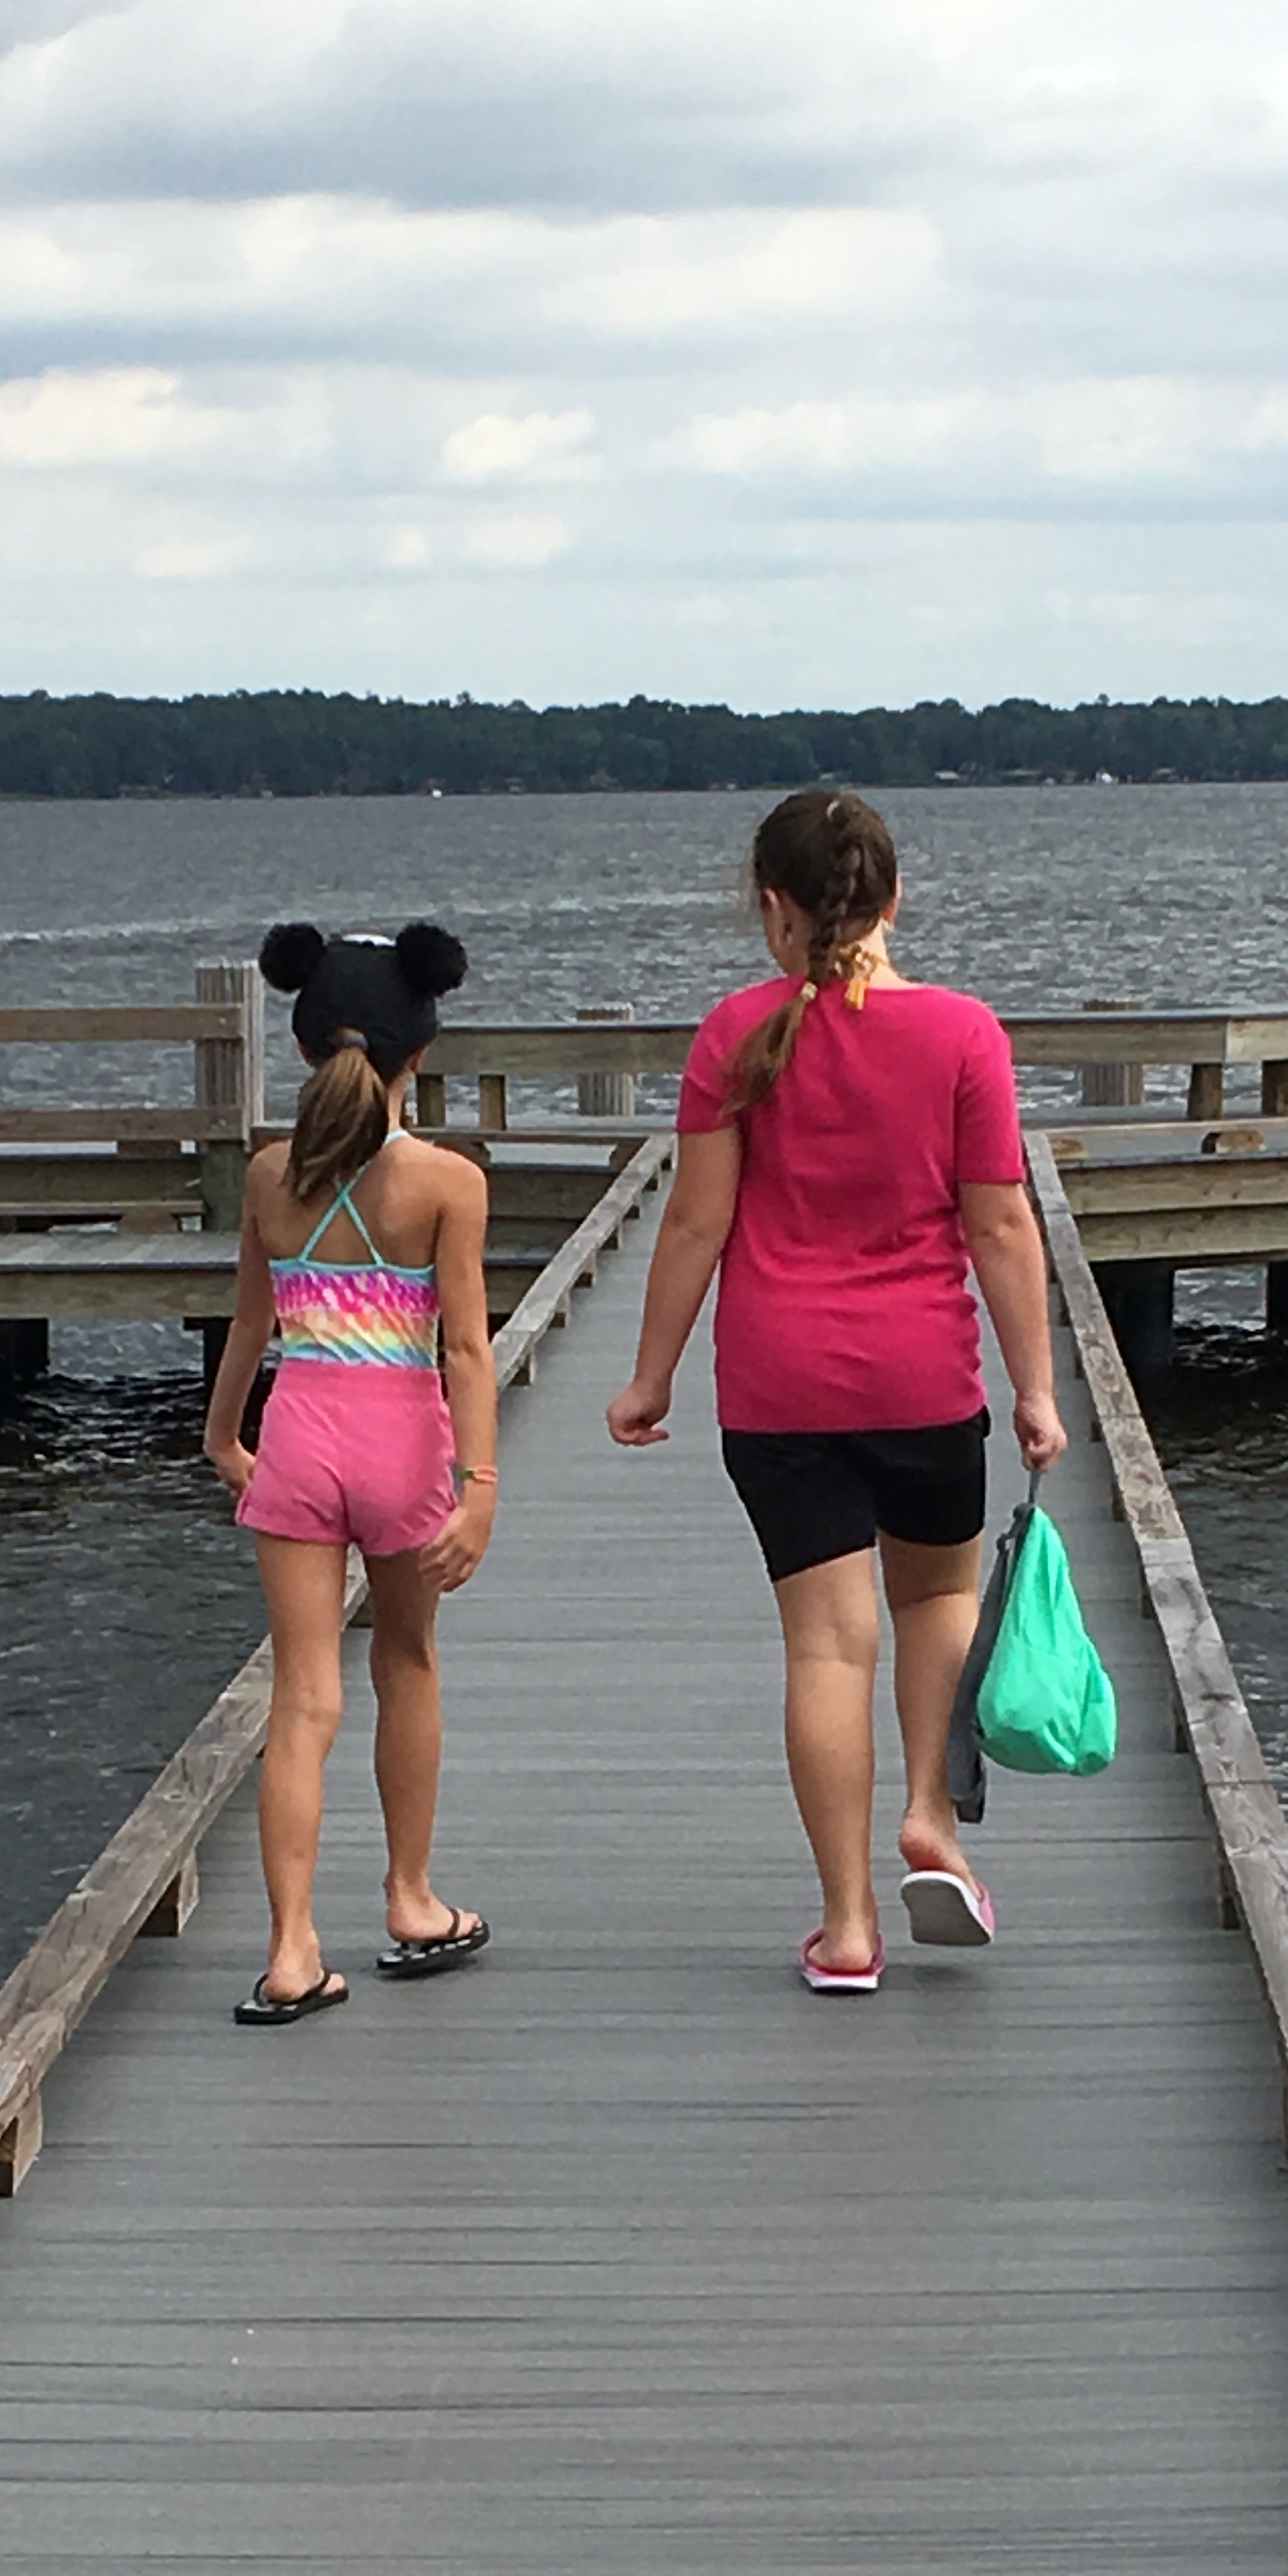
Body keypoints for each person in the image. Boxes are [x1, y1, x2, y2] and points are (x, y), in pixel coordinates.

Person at [607, 790, 1067, 1993]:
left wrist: (651, 1376)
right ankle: (931, 1815)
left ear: (774, 908)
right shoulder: (965, 1035)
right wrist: (1035, 1387)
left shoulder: (733, 1036)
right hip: (925, 1381)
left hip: (780, 1390)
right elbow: (1001, 1224)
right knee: (937, 1601)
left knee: (825, 1648)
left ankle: (849, 1927)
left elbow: (695, 1222)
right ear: (893, 898)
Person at [205, 919, 498, 2027]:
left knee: (303, 1698)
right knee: (407, 1664)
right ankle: (412, 1899)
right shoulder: (445, 1183)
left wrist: (223, 1439)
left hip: (300, 1440)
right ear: (419, 1050)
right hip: (402, 1448)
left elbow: (250, 1324)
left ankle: (290, 1949)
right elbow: (465, 1350)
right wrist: (479, 1484)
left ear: (303, 1042)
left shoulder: (269, 1175)